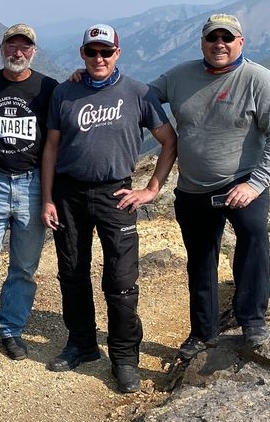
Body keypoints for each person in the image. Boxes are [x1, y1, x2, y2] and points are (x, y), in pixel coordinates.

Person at [40, 24, 177, 394]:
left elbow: (168, 141)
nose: (98, 59)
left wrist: (151, 189)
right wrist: (47, 198)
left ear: (118, 53)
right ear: (82, 54)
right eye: (91, 52)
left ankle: (124, 358)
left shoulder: (138, 93)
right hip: (68, 194)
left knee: (120, 282)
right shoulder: (64, 93)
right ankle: (82, 344)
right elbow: (50, 148)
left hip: (116, 194)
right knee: (71, 272)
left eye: (106, 52)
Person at [151, 13, 270, 359]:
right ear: (202, 42)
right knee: (201, 261)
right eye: (212, 38)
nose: (220, 44)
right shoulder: (179, 76)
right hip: (193, 188)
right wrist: (97, 78)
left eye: (227, 38)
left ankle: (252, 320)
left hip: (242, 182)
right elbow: (141, 97)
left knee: (253, 238)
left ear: (240, 42)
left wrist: (256, 183)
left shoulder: (259, 79)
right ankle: (202, 332)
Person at [0, 23, 58, 361]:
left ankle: (11, 329)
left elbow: (56, 135)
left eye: (25, 47)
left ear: (33, 51)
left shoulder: (48, 87)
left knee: (23, 266)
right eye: (12, 46)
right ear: (1, 48)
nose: (18, 52)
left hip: (33, 185)